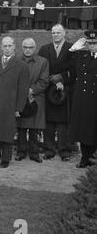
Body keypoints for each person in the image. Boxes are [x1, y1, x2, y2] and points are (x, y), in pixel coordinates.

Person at [0, 37, 30, 168]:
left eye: (9, 46)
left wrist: (18, 108)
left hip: (9, 105)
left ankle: (6, 159)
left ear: (14, 46)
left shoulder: (22, 66)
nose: (7, 48)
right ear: (1, 47)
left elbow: (23, 89)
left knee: (6, 132)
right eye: (5, 46)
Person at [38, 24, 74, 161]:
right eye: (53, 33)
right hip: (49, 90)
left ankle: (65, 150)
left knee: (63, 122)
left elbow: (75, 70)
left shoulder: (72, 49)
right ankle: (49, 150)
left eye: (58, 32)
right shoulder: (44, 49)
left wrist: (62, 78)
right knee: (49, 122)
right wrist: (52, 79)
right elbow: (41, 69)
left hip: (65, 91)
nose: (55, 35)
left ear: (64, 33)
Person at [16, 38, 49, 163]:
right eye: (25, 47)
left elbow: (44, 80)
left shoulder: (43, 62)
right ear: (22, 47)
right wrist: (23, 91)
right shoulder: (16, 60)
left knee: (35, 128)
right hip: (20, 98)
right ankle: (21, 151)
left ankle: (34, 153)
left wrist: (32, 90)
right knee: (21, 128)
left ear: (34, 48)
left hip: (36, 98)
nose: (28, 50)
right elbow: (13, 79)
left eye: (30, 47)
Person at [70, 30, 97, 168]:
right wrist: (78, 45)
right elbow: (70, 56)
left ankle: (94, 158)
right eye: (90, 43)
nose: (92, 46)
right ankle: (85, 158)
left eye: (95, 43)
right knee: (85, 129)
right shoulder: (82, 55)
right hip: (84, 99)